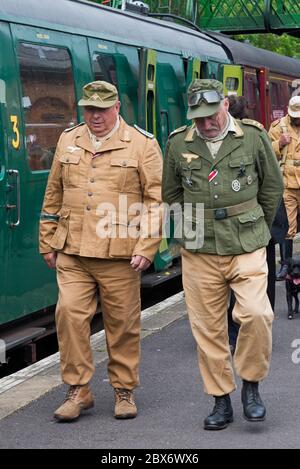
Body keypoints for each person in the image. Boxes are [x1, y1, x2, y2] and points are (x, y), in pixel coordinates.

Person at [162, 79, 283, 430]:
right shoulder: (177, 144)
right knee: (208, 329)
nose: (206, 123)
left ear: (225, 106)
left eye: (211, 114)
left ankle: (251, 386)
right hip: (200, 247)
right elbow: (171, 194)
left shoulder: (253, 136)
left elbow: (272, 185)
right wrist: (188, 231)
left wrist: (253, 220)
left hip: (245, 241)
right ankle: (220, 400)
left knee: (257, 314)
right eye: (198, 118)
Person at [39, 80, 163, 422]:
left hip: (120, 253)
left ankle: (123, 390)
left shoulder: (142, 144)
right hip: (73, 250)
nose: (95, 116)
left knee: (122, 324)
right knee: (69, 317)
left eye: (102, 109)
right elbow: (54, 192)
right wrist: (47, 239)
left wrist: (147, 246)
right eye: (89, 109)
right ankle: (78, 390)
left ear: (117, 107)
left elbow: (155, 202)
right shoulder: (69, 139)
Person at [227, 95, 288, 352]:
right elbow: (273, 182)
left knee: (234, 282)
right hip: (263, 222)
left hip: (244, 225)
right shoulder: (259, 134)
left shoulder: (247, 138)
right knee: (265, 278)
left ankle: (234, 334)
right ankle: (262, 329)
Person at [269, 96, 300, 280]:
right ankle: (286, 265)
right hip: (286, 184)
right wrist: (278, 144)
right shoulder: (277, 127)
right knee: (288, 226)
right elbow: (264, 152)